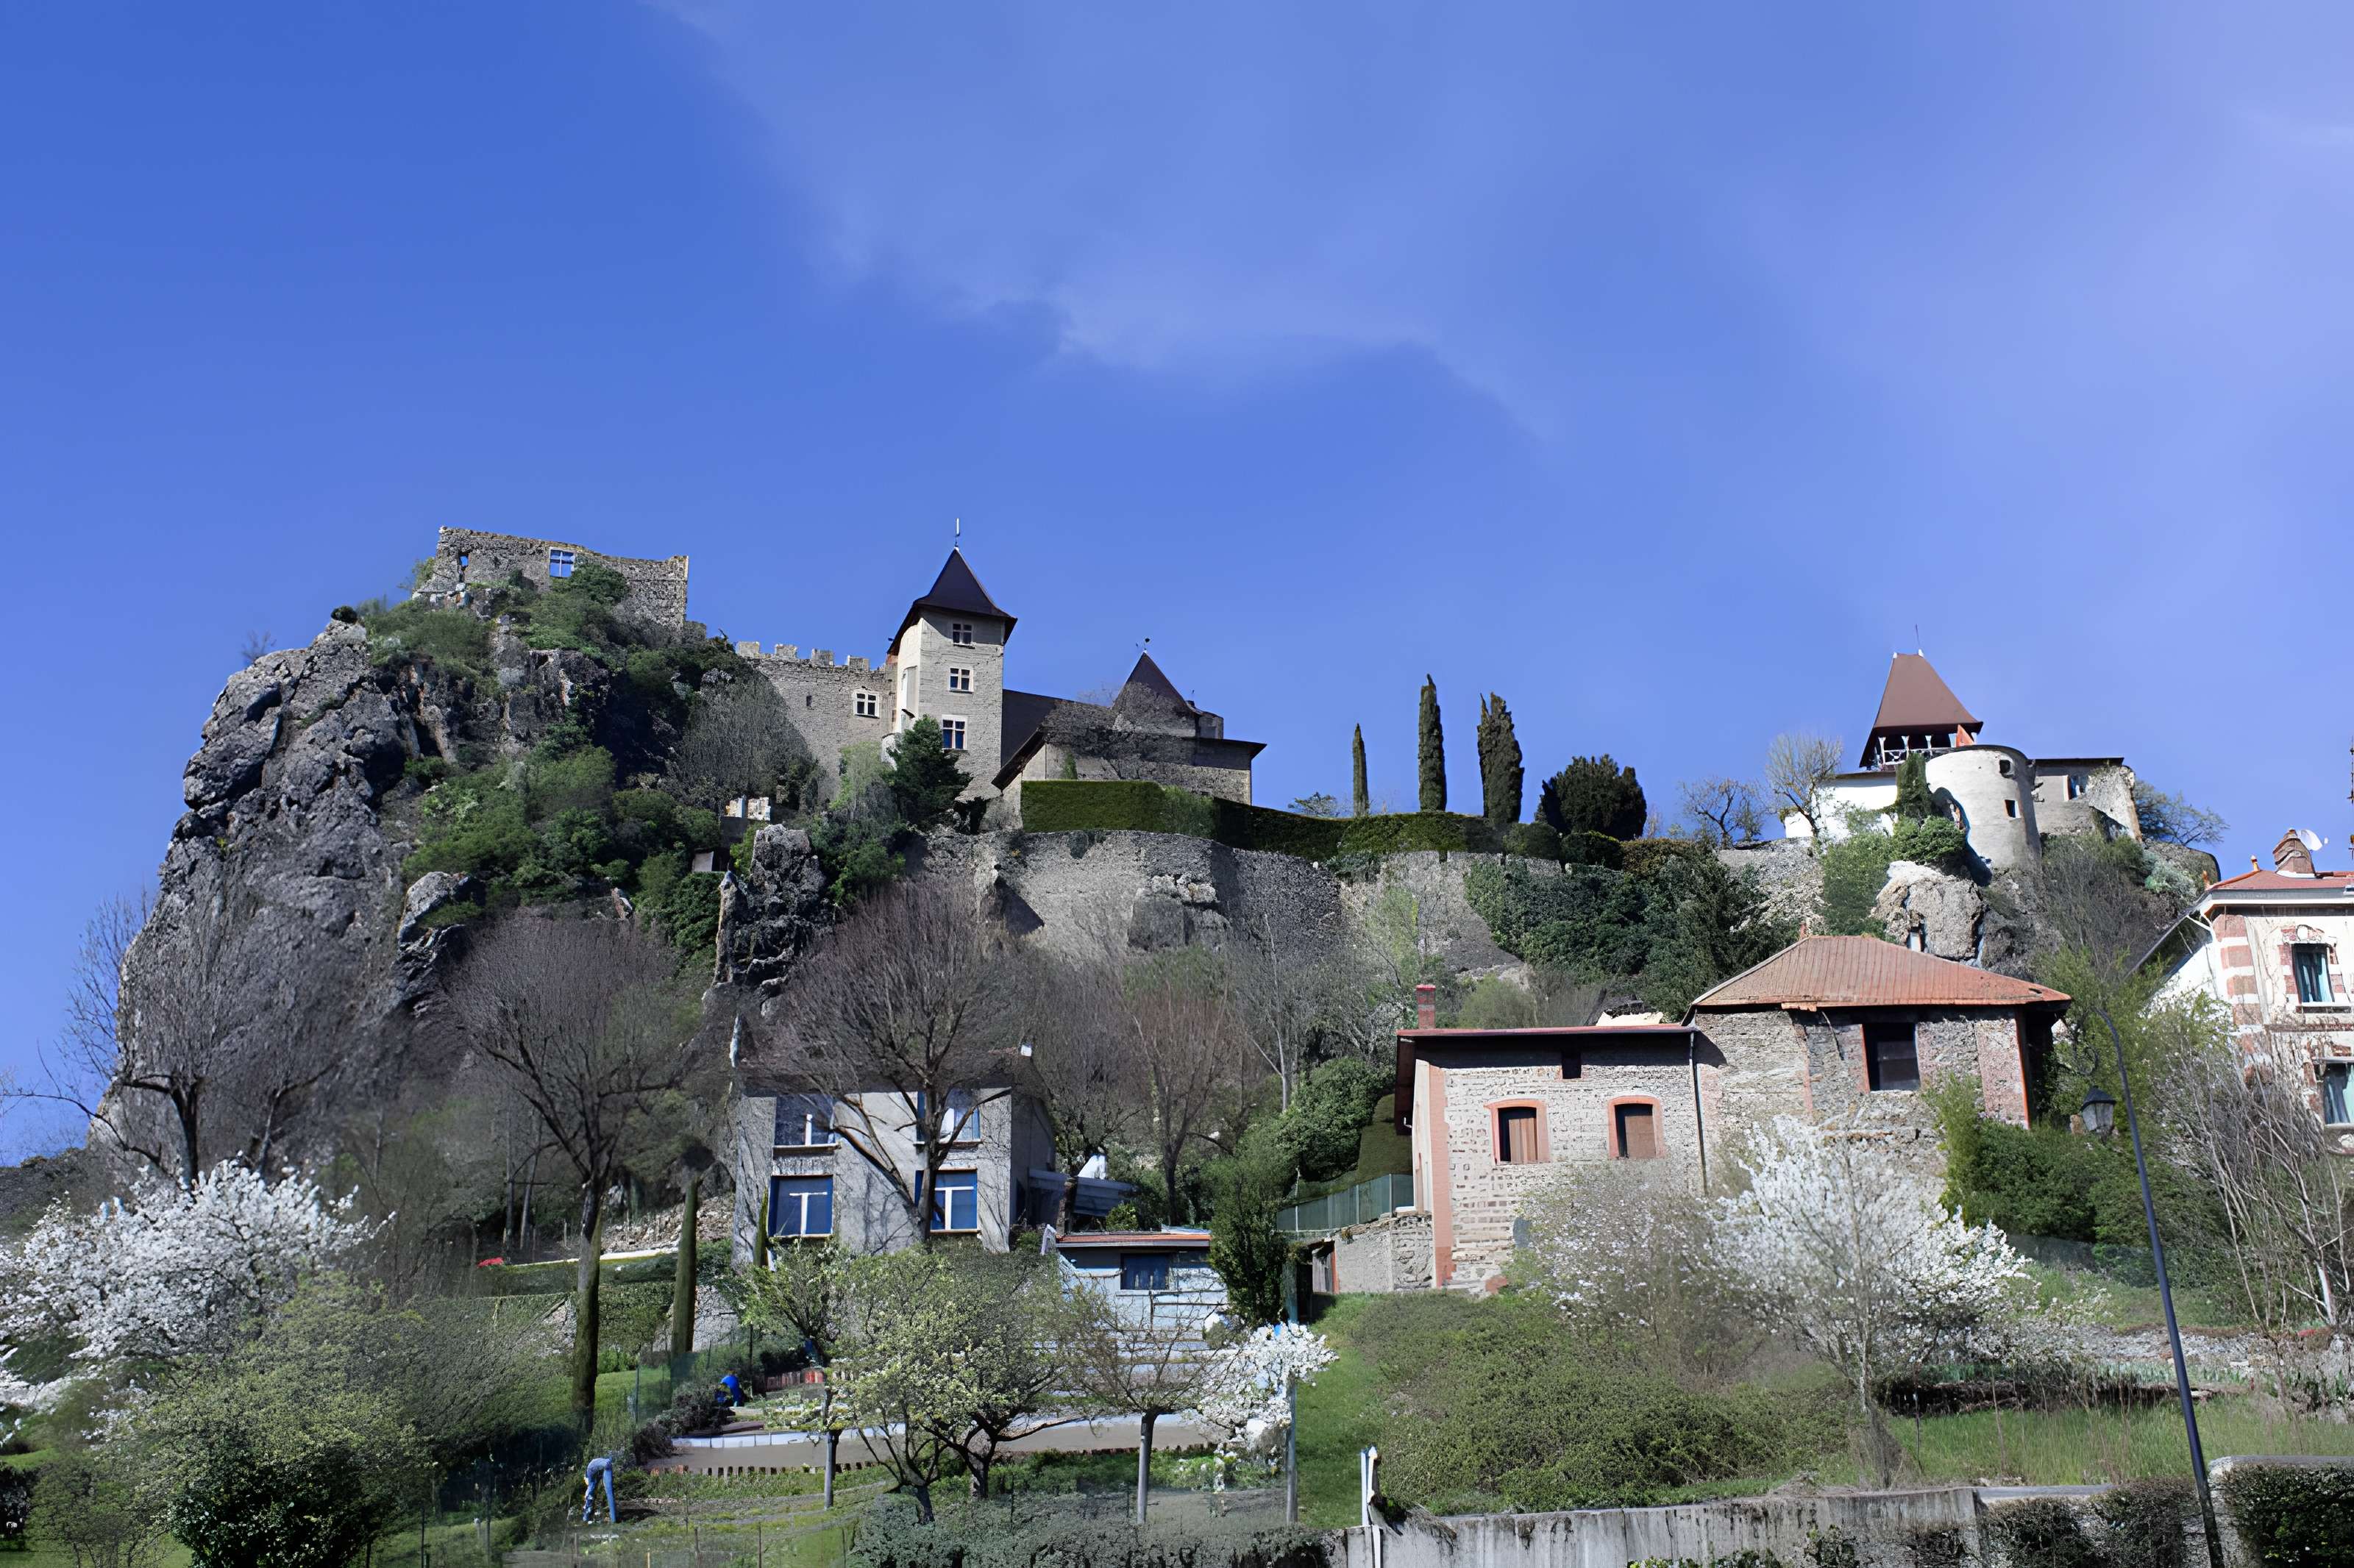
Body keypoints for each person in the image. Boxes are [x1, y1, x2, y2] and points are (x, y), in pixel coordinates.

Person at [581, 1453, 616, 1524]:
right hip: (607, 1464)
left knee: (593, 1494)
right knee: (609, 1493)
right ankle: (613, 1519)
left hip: (603, 1465)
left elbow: (590, 1490)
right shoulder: (595, 1469)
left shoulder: (589, 1473)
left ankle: (585, 1518)